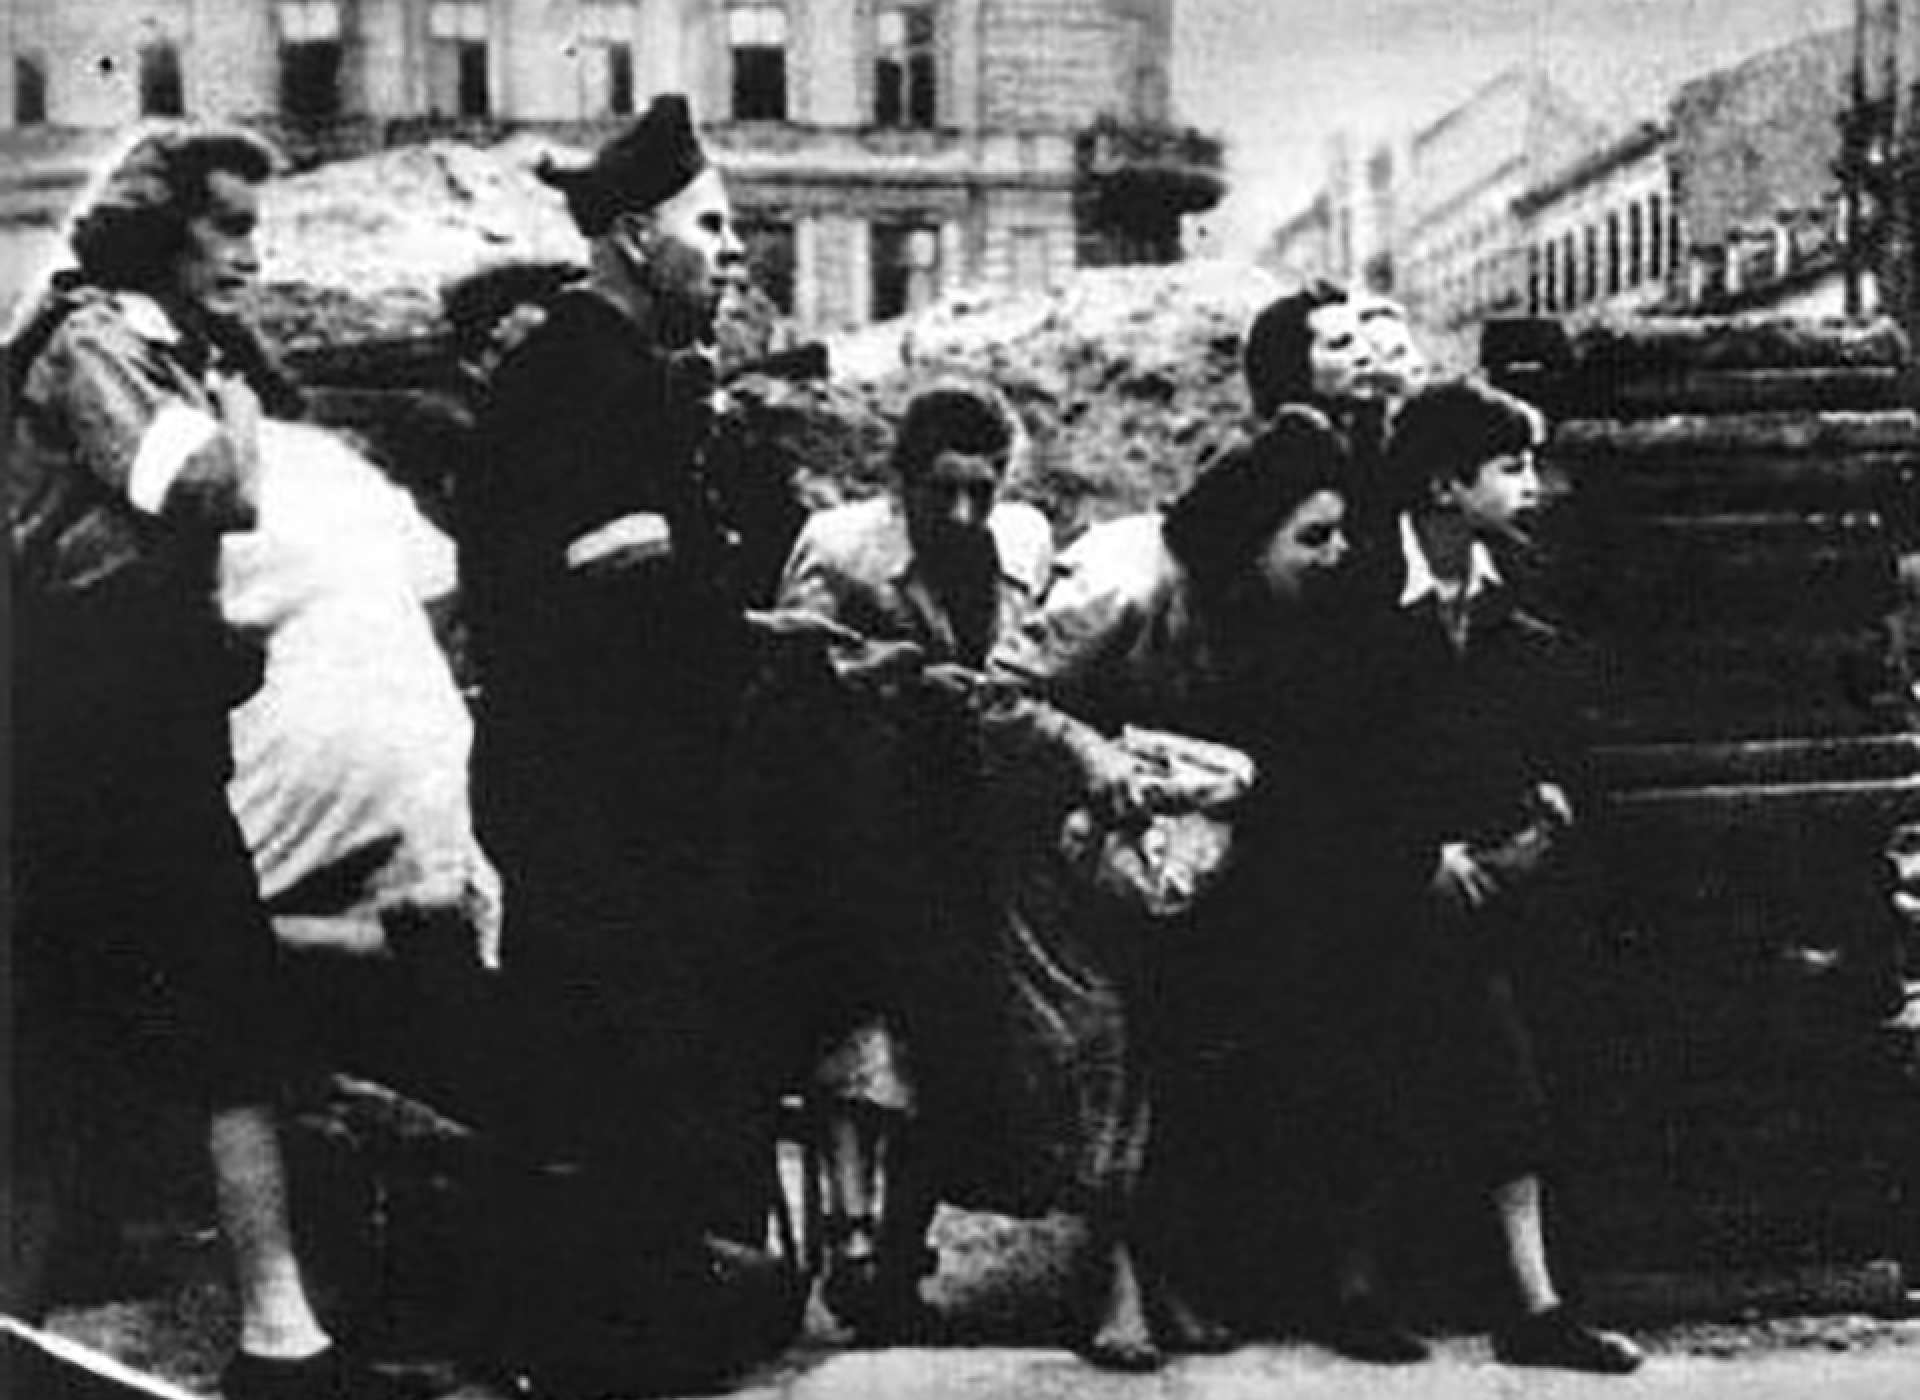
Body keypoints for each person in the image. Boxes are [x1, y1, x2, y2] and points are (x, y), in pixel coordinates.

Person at [6, 124, 395, 1400]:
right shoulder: (97, 348)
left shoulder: (140, 346)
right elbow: (210, 489)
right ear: (159, 231)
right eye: (229, 226)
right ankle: (278, 1343)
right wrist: (235, 406)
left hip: (128, 736)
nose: (250, 251)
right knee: (187, 1023)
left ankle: (275, 1336)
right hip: (87, 742)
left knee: (113, 1030)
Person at [455, 95, 794, 1393]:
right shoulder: (586, 377)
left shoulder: (612, 368)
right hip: (601, 788)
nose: (735, 250)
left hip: (598, 782)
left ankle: (574, 1334)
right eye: (714, 226)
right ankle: (602, 1345)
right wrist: (700, 585)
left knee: (590, 1066)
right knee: (613, 1069)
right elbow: (609, 582)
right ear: (640, 235)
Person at [985, 408, 1353, 1370]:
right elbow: (994, 697)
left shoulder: (1264, 609)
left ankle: (1163, 1266)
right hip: (1045, 850)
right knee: (1099, 1051)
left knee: (1176, 1045)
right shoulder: (1123, 577)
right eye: (1314, 535)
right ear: (1249, 533)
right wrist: (1087, 753)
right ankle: (1106, 1281)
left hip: (1160, 858)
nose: (1336, 553)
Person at [1296, 378, 1643, 1373]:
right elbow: (1323, 760)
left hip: (1492, 890)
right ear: (1446, 485)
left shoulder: (1517, 583)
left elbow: (1546, 719)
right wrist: (1415, 857)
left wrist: (1545, 810)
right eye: (1510, 467)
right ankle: (1360, 1290)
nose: (1530, 486)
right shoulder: (1355, 592)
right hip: (1368, 896)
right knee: (1369, 1071)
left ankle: (1530, 1304)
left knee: (1508, 1073)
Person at [755, 383, 1052, 1340]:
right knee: (859, 1023)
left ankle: (899, 1254)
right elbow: (783, 682)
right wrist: (873, 681)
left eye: (983, 488)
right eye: (941, 490)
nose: (963, 512)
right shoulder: (842, 550)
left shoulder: (1023, 547)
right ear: (900, 480)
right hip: (855, 817)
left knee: (950, 1034)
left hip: (970, 821)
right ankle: (847, 1235)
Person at [1241, 281, 1426, 549]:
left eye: (1362, 341)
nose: (1364, 356)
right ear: (1293, 365)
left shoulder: (1362, 439)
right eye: (1340, 345)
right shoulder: (1276, 461)